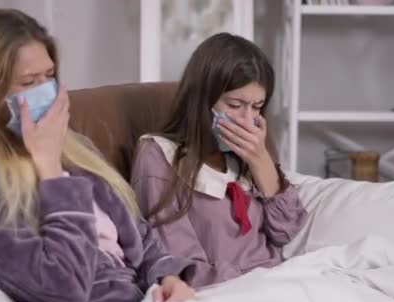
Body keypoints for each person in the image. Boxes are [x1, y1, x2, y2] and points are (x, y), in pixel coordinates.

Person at [0, 8, 195, 302]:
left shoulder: (75, 148)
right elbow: (63, 285)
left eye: (50, 76)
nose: (47, 91)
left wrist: (168, 279)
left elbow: (141, 239)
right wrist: (49, 170)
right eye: (29, 83)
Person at [131, 32, 308, 288]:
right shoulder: (158, 155)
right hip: (226, 291)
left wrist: (261, 161)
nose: (247, 120)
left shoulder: (246, 155)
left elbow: (287, 231)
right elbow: (180, 263)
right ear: (202, 99)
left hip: (276, 280)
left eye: (257, 106)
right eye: (235, 104)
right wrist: (253, 282)